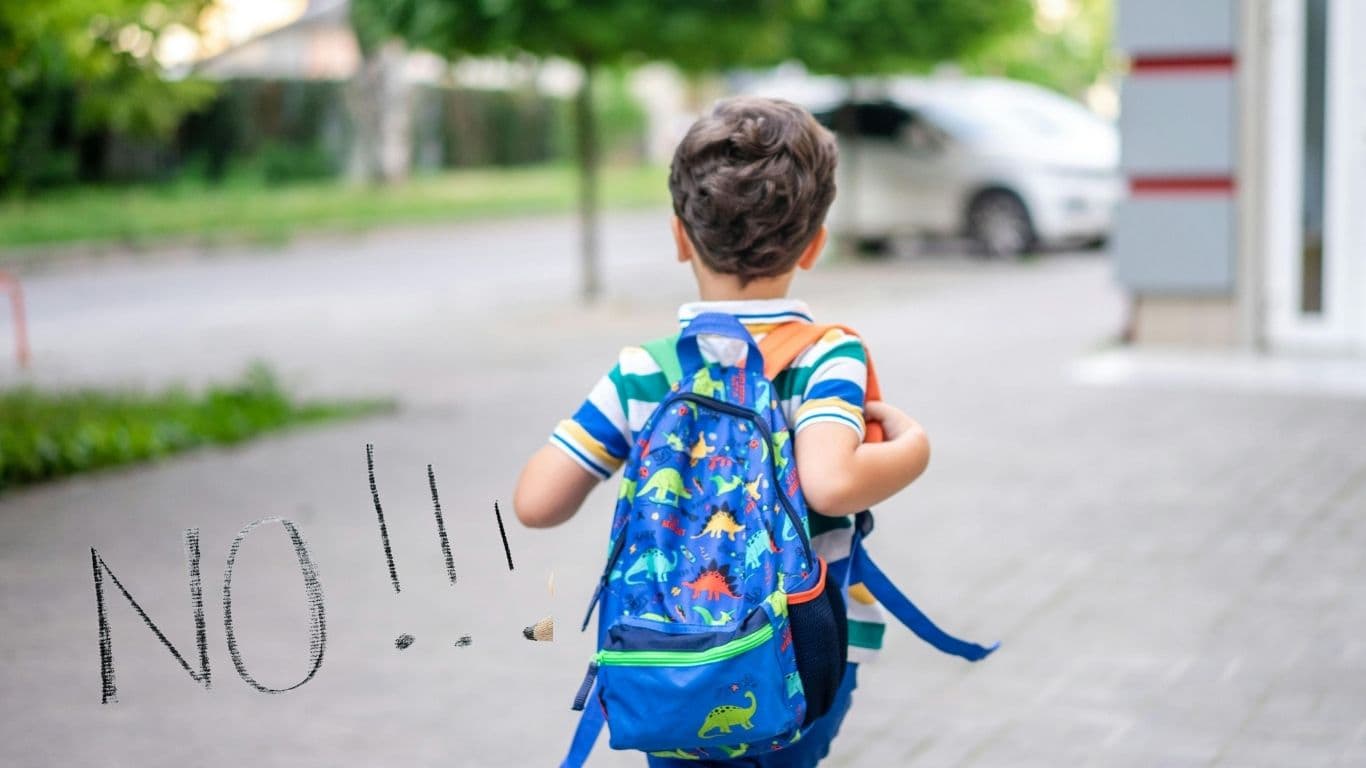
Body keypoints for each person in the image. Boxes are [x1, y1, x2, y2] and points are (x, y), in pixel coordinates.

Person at [513, 96, 932, 767]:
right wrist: (916, 451)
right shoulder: (826, 356)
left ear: (681, 236)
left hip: (664, 656)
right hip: (803, 650)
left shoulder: (643, 371)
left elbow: (535, 504)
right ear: (816, 242)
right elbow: (832, 482)